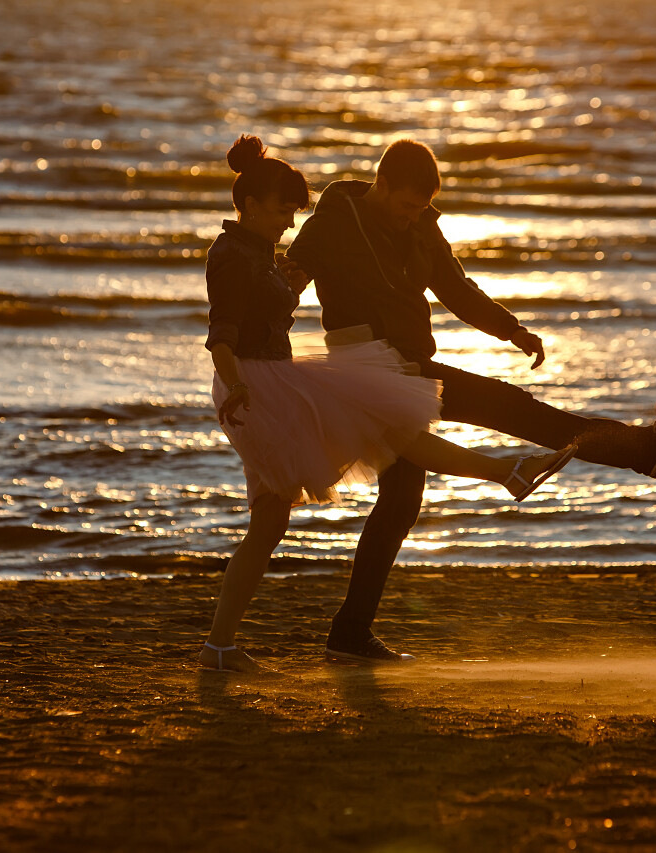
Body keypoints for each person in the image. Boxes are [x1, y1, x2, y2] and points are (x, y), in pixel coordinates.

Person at [286, 138, 656, 664]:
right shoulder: (333, 222)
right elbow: (288, 283)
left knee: (400, 503)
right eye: (406, 206)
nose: (413, 218)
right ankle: (640, 449)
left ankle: (349, 634)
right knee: (513, 410)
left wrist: (511, 330)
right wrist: (255, 348)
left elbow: (455, 289)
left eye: (421, 208)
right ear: (379, 184)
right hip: (371, 372)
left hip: (411, 366)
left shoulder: (424, 226)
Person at [199, 135, 578, 673]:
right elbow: (221, 335)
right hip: (257, 388)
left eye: (293, 211)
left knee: (270, 522)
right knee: (387, 431)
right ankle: (507, 471)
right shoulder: (233, 255)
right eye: (283, 210)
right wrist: (235, 384)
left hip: (272, 379)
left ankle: (219, 648)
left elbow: (288, 282)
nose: (288, 221)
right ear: (251, 205)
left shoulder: (259, 250)